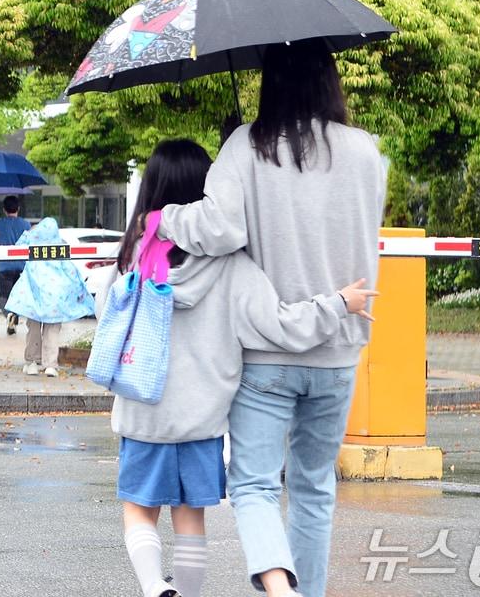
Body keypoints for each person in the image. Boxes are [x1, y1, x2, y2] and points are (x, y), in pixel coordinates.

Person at [156, 41, 386, 597]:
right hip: (339, 347)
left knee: (255, 485)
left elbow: (220, 230)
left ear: (271, 83)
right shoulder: (365, 151)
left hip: (265, 352)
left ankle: (279, 586)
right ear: (328, 80)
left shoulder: (245, 145)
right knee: (313, 488)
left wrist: (166, 217)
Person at [106, 139, 374, 597]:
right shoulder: (232, 265)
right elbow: (280, 326)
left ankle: (155, 587)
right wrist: (337, 305)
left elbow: (106, 311)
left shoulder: (135, 252)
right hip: (203, 420)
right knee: (191, 515)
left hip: (142, 409)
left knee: (138, 508)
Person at [5, 217, 96, 376]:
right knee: (52, 330)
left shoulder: (31, 242)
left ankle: (33, 362)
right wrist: (80, 292)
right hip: (56, 298)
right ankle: (50, 365)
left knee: (33, 328)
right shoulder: (59, 244)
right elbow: (71, 271)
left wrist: (28, 233)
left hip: (33, 295)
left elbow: (16, 249)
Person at [0, 195, 31, 335]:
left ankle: (9, 315)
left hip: (5, 266)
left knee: (4, 296)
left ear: (4, 210)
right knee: (18, 296)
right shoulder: (26, 225)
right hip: (21, 266)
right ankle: (13, 320)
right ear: (18, 209)